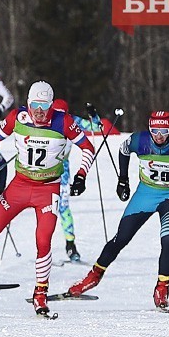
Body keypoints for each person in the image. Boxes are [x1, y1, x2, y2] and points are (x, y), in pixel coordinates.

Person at [0, 81, 95, 316]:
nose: (39, 111)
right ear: (28, 103)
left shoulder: (63, 121)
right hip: (19, 186)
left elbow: (88, 147)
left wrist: (81, 175)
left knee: (43, 240)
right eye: (35, 105)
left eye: (44, 106)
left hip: (48, 189)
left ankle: (40, 294)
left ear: (52, 105)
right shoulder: (18, 117)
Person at [67, 111, 169, 310]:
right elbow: (123, 150)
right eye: (154, 131)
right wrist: (123, 179)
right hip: (145, 195)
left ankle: (161, 289)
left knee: (168, 240)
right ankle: (93, 277)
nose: (159, 136)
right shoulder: (140, 140)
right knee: (121, 238)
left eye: (164, 131)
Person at [53, 100, 104, 262]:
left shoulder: (72, 121)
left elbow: (97, 128)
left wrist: (94, 115)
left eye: (63, 115)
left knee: (63, 207)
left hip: (62, 170)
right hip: (42, 170)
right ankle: (43, 247)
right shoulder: (46, 121)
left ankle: (70, 244)